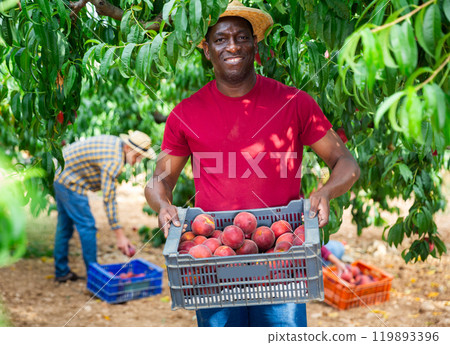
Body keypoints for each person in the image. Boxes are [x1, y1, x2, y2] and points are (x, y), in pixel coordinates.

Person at [145, 0, 360, 327]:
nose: (232, 46)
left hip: (281, 262)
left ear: (255, 45)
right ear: (207, 50)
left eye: (242, 37)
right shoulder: (185, 113)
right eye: (220, 39)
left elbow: (346, 162)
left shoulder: (293, 102)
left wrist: (326, 192)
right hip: (215, 263)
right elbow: (158, 180)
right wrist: (162, 204)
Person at [53, 130, 156, 283]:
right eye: (137, 156)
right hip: (69, 180)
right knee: (87, 226)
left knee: (65, 226)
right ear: (127, 148)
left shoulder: (115, 145)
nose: (138, 161)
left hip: (59, 173)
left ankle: (61, 272)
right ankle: (94, 278)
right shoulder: (114, 160)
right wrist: (120, 235)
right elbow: (109, 199)